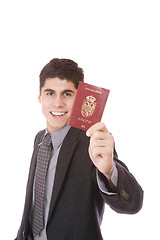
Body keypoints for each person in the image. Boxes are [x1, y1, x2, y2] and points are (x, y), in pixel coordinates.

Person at [15, 58, 143, 240]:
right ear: (39, 97)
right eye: (50, 93)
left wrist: (109, 171)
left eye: (67, 94)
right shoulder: (39, 138)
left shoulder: (92, 141)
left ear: (79, 98)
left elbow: (133, 204)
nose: (58, 103)